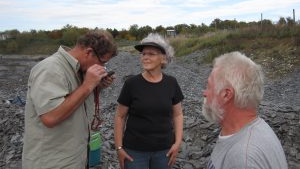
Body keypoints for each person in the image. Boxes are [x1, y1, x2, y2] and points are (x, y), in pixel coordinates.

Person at [22, 30, 117, 169]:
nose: (103, 68)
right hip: (51, 163)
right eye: (102, 62)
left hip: (75, 158)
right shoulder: (51, 69)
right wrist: (87, 85)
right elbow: (50, 117)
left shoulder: (82, 71)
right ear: (89, 52)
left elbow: (77, 102)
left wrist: (98, 86)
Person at [202, 51, 288, 169]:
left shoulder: (243, 159)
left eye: (208, 86)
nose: (204, 93)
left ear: (226, 95)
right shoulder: (257, 129)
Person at [114, 33, 184, 169]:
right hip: (134, 152)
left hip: (164, 150)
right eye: (143, 54)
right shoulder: (131, 84)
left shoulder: (171, 83)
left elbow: (178, 114)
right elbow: (119, 116)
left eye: (151, 54)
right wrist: (119, 148)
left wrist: (177, 143)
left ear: (163, 58)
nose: (145, 57)